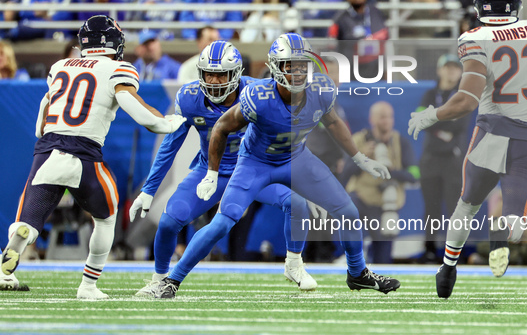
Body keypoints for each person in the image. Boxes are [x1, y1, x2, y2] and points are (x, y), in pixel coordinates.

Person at [152, 33, 401, 298]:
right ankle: (172, 280)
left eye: (301, 65)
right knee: (223, 223)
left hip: (296, 158)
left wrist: (359, 157)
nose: (296, 72)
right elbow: (221, 128)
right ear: (275, 67)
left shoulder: (321, 89)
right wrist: (212, 173)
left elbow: (334, 123)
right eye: (289, 65)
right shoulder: (258, 95)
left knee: (348, 213)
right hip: (255, 163)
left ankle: (358, 273)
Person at [407, 0, 527, 298]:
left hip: (490, 132)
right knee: (517, 220)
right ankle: (501, 234)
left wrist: (430, 114)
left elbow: (466, 101)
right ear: (515, 4)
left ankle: (447, 268)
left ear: (480, 7)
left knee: (466, 206)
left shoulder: (476, 38)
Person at [0, 15, 187, 297]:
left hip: (48, 149)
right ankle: (88, 285)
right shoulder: (118, 68)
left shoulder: (60, 66)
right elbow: (135, 108)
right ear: (112, 42)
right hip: (85, 152)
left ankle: (7, 266)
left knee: (30, 217)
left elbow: (42, 119)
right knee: (106, 218)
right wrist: (168, 123)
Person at [130, 40, 317, 296]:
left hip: (254, 172)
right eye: (210, 74)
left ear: (236, 74)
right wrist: (149, 190)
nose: (215, 81)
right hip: (210, 172)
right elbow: (170, 146)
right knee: (168, 222)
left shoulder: (258, 92)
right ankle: (159, 279)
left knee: (297, 203)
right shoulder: (189, 97)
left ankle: (294, 264)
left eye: (221, 75)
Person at [342, 101, 418, 264]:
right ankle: (353, 257)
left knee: (383, 258)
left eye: (390, 117)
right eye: (382, 117)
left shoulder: (400, 142)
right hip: (361, 198)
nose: (387, 121)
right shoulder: (359, 140)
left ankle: (375, 260)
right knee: (349, 211)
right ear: (372, 119)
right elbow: (344, 174)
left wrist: (390, 171)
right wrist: (361, 158)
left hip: (386, 204)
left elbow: (414, 175)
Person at [417, 54, 469, 263]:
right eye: (447, 67)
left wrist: (435, 117)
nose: (451, 72)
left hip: (453, 160)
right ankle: (430, 249)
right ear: (439, 71)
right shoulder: (429, 94)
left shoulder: (464, 96)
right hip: (431, 159)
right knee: (431, 207)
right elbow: (421, 120)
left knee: (455, 208)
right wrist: (444, 120)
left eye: (455, 68)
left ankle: (456, 252)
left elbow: (460, 124)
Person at [328, 0, 388, 80]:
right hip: (351, 74)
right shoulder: (340, 19)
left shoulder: (375, 13)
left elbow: (385, 36)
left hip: (376, 71)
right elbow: (333, 47)